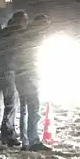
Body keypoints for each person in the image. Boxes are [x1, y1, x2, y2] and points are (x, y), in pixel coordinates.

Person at [12, 13, 50, 151]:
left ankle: (25, 141)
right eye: (45, 25)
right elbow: (29, 57)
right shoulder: (34, 36)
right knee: (33, 108)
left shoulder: (25, 33)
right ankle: (33, 141)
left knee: (24, 109)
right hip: (28, 75)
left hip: (21, 75)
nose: (46, 28)